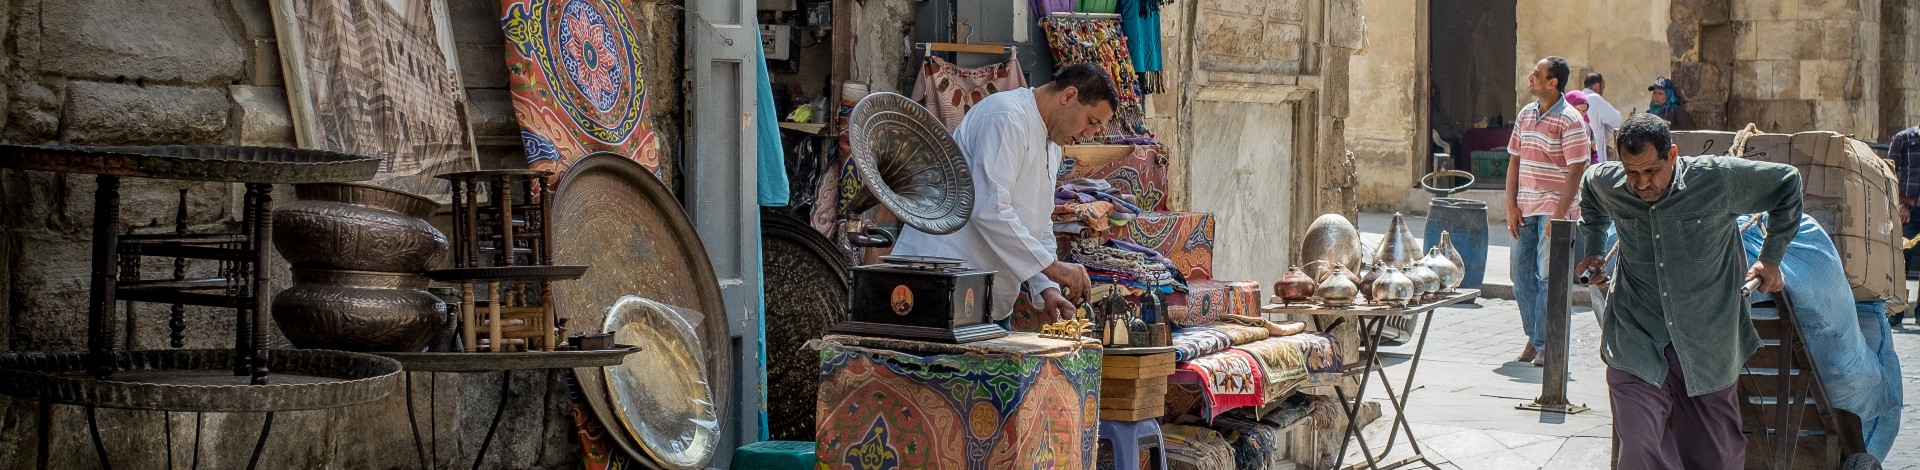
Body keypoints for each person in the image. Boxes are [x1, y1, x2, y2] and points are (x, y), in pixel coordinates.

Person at [1575, 113, 1803, 469]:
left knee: (1715, 457)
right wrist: (1592, 248)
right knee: (1637, 446)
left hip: (1706, 339)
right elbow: (1589, 190)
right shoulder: (1609, 181)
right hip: (1635, 335)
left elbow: (1787, 183)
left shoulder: (1717, 178)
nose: (1641, 183)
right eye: (1632, 173)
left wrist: (1770, 259)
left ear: (1673, 156)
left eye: (1651, 171)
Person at [891, 63, 1115, 326]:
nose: (1089, 135)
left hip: (985, 300)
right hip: (939, 282)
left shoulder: (1053, 144)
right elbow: (989, 209)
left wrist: (1048, 287)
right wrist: (1055, 269)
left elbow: (1038, 222)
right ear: (1068, 96)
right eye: (1091, 122)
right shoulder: (1006, 116)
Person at [1505, 56, 1592, 366]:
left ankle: (1544, 344)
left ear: (1552, 83)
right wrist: (1510, 204)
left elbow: (1577, 168)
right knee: (1519, 276)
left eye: (1537, 74)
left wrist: (1559, 214)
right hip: (1524, 208)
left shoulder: (1570, 119)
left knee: (1546, 277)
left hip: (1553, 210)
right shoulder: (1526, 114)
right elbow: (1514, 159)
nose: (1531, 77)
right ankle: (1536, 337)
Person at [1892, 125, 1920, 325]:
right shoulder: (1903, 138)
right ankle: (1896, 312)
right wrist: (1900, 204)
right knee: (1902, 260)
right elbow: (1889, 172)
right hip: (1908, 211)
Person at [1582, 73, 1624, 162]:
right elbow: (1616, 119)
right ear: (1597, 86)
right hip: (1595, 157)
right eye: (1603, 88)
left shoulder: (1578, 98)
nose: (1602, 91)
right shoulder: (1595, 98)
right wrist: (1605, 134)